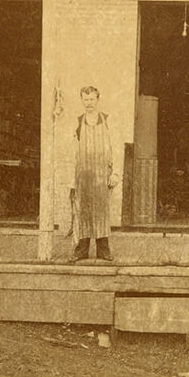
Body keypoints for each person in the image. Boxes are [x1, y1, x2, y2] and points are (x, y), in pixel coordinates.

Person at [72, 86, 121, 261]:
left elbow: (115, 146)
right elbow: (72, 150)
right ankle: (81, 251)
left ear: (98, 100)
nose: (89, 103)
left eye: (92, 99)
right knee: (83, 211)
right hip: (84, 174)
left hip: (102, 174)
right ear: (82, 100)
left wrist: (116, 173)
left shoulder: (107, 120)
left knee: (101, 212)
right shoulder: (78, 122)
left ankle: (103, 251)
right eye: (85, 99)